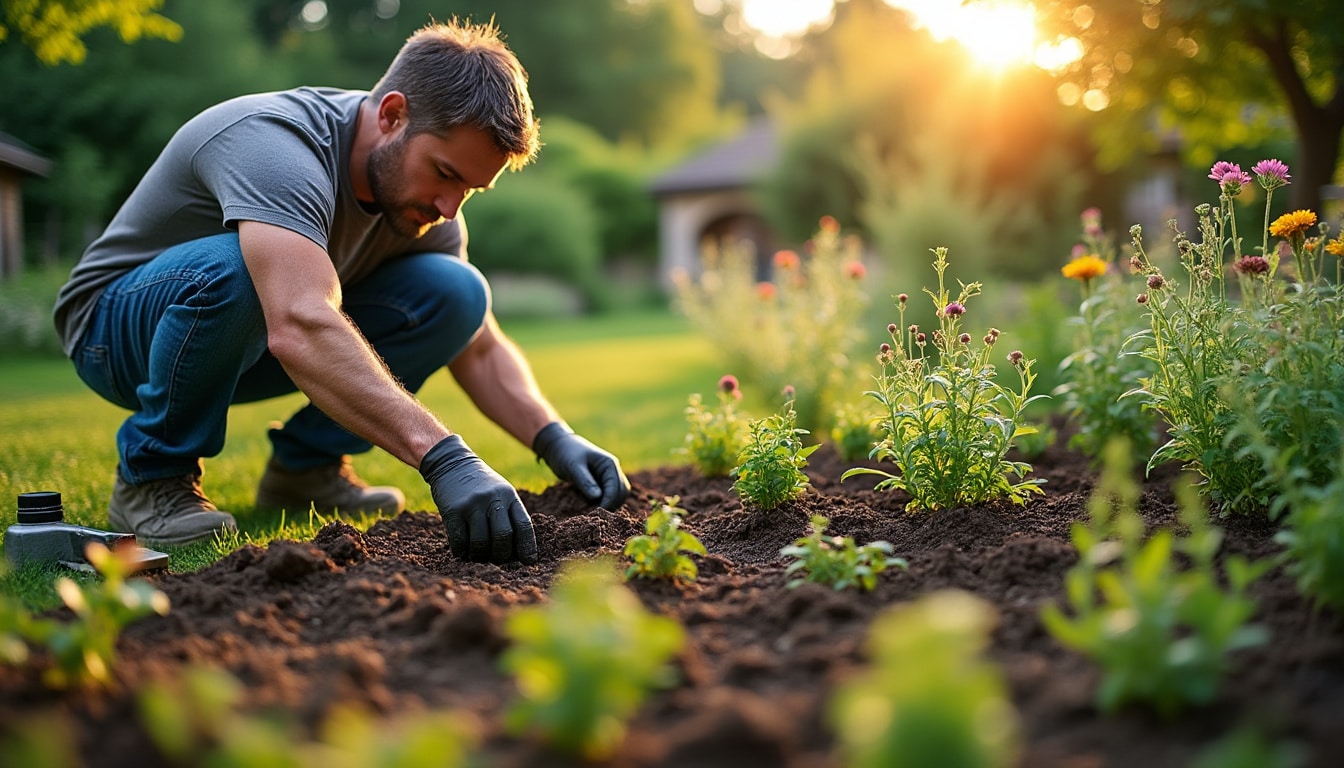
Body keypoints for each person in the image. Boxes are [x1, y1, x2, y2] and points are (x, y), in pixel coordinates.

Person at [51, 20, 630, 565]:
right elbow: (300, 322)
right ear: (393, 115)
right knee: (244, 268)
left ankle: (305, 470)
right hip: (115, 335)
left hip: (251, 338)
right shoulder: (276, 145)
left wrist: (555, 438)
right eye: (447, 174)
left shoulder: (429, 209)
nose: (451, 207)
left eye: (471, 189)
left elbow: (476, 342)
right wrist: (444, 457)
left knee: (457, 291)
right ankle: (153, 477)